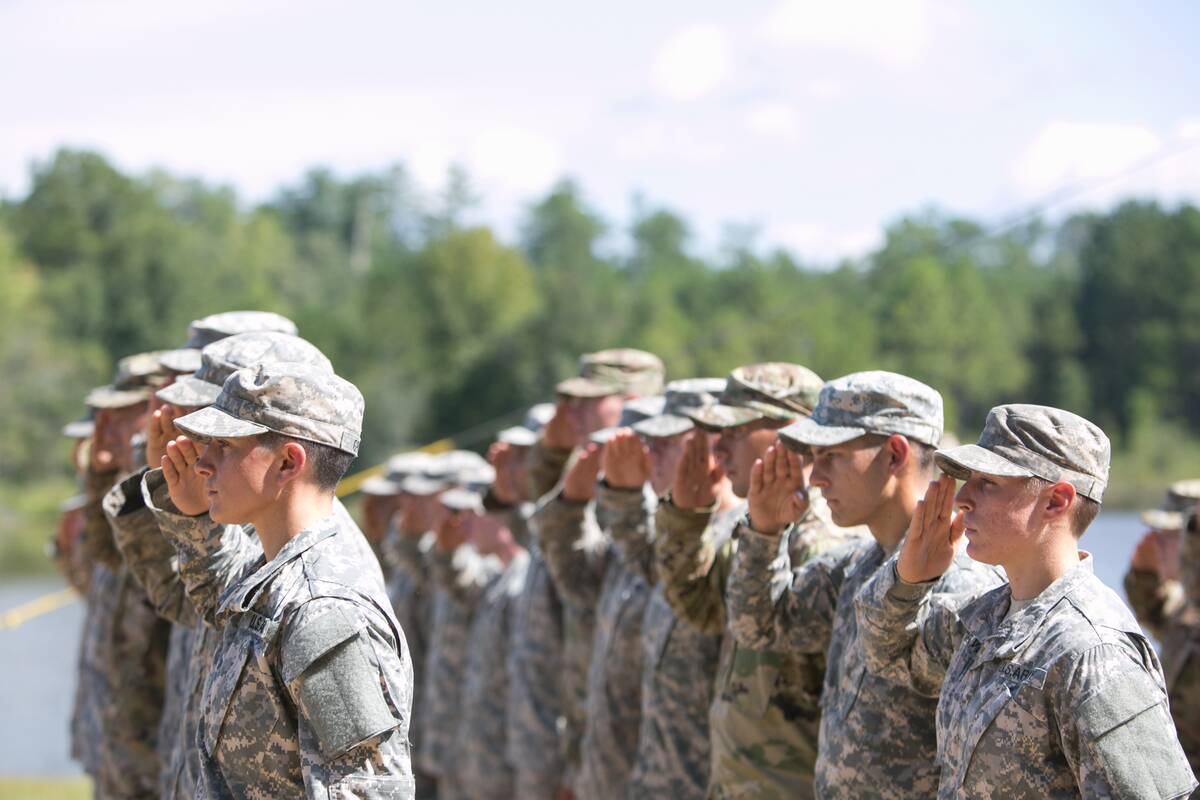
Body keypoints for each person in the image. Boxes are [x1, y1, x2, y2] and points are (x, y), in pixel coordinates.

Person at [856, 404, 1197, 798]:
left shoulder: (1092, 653)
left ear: (1056, 501)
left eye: (988, 483)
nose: (963, 498)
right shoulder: (985, 619)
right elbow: (886, 657)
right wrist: (909, 579)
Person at [724, 370, 1003, 798]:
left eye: (832, 456)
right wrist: (764, 532)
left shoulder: (965, 584)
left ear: (894, 455)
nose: (816, 477)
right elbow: (759, 625)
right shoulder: (856, 565)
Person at [146, 362, 416, 798]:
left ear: (289, 462)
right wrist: (194, 515)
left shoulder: (325, 611)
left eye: (224, 445)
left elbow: (365, 790)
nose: (202, 463)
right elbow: (214, 592)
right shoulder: (273, 576)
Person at [103, 330, 334, 800]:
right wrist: (174, 499)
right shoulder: (243, 513)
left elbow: (358, 780)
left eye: (222, 436)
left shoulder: (314, 572)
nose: (190, 435)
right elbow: (189, 600)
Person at [652, 363, 860, 799]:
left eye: (734, 431)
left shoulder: (824, 541)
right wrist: (685, 521)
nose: (720, 450)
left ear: (792, 431)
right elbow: (704, 611)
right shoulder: (759, 528)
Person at [523, 347, 664, 795]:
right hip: (588, 711)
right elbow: (552, 533)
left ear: (635, 400)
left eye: (590, 400)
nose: (574, 412)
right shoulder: (596, 464)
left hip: (638, 729)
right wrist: (552, 454)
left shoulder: (655, 475)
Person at [72, 351, 173, 799]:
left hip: (155, 750)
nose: (105, 429)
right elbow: (105, 557)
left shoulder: (170, 497)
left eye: (120, 415)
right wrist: (100, 476)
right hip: (117, 741)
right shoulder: (123, 498)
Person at [433, 485, 530, 800]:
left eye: (477, 516)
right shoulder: (497, 577)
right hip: (477, 757)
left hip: (506, 761)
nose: (468, 526)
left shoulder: (523, 582)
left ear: (501, 520)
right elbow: (459, 583)